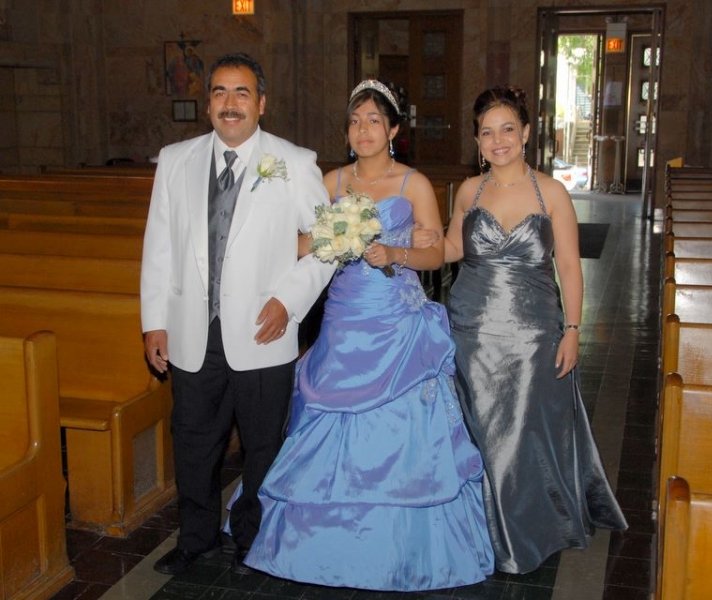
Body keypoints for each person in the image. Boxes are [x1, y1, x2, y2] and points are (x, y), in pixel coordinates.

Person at [224, 79, 494, 591]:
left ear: (393, 130)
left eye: (374, 120)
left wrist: (396, 253)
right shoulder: (330, 181)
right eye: (354, 121)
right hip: (344, 319)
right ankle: (315, 543)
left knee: (400, 434)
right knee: (327, 423)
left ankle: (399, 544)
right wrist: (329, 238)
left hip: (397, 323)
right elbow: (296, 242)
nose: (363, 130)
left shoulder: (413, 183)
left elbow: (436, 253)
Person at [140, 52, 335, 576]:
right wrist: (154, 320)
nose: (230, 103)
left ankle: (254, 540)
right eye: (220, 92)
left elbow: (330, 243)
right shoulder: (176, 161)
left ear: (261, 103)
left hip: (262, 330)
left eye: (242, 93)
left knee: (262, 445)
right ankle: (197, 539)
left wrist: (288, 301)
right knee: (193, 442)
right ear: (208, 103)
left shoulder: (293, 162)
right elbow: (159, 245)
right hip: (192, 330)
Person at [444, 86, 628, 574]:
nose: (498, 140)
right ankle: (479, 528)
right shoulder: (469, 191)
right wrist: (401, 246)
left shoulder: (552, 192)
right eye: (487, 132)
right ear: (477, 140)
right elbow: (451, 249)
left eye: (508, 129)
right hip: (471, 330)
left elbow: (568, 265)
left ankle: (526, 526)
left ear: (526, 133)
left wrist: (573, 329)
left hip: (533, 333)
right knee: (480, 431)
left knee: (523, 432)